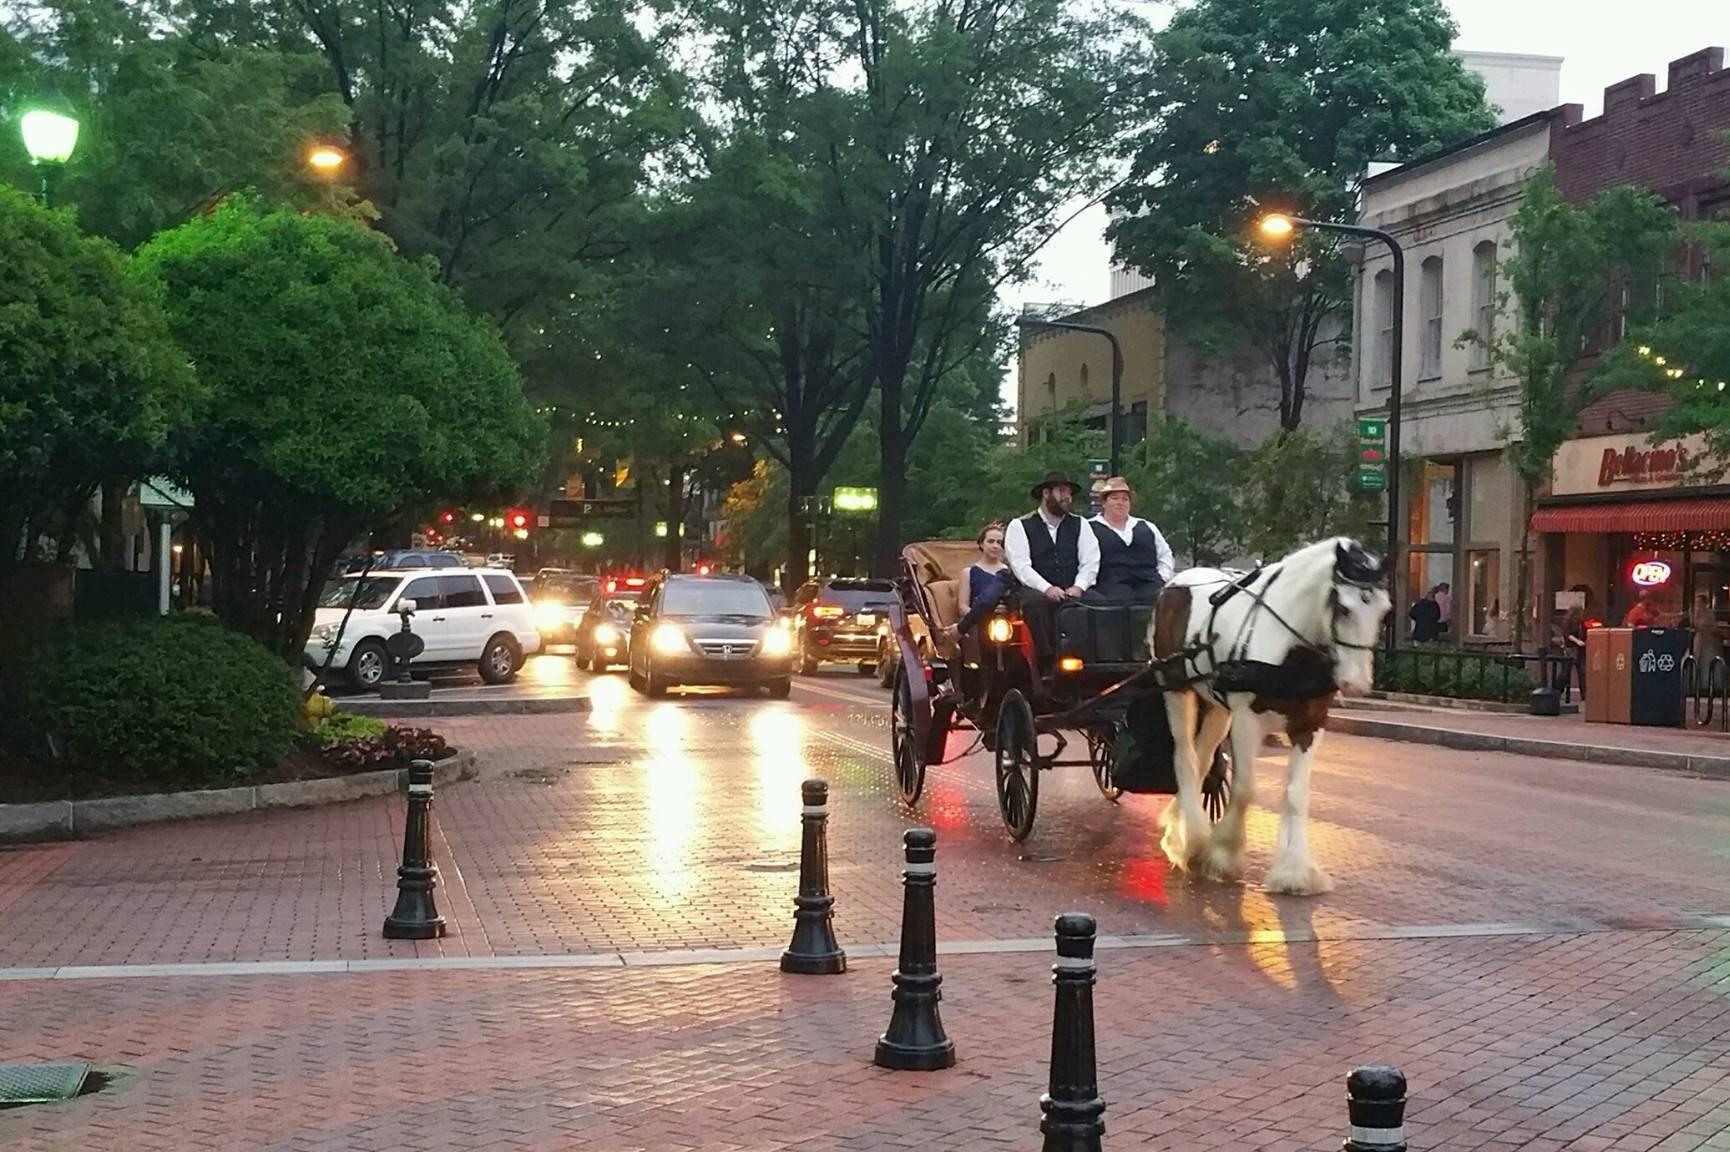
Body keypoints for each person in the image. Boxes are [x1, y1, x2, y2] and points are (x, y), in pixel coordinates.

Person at [1003, 470, 1100, 665]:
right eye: (1062, 491)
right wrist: (1046, 588)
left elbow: (1090, 560)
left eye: (1069, 493)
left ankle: (1095, 658)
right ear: (1046, 494)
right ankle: (1046, 662)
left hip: (1072, 588)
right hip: (1036, 590)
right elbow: (1021, 566)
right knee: (1036, 605)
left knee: (1102, 603)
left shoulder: (1080, 524)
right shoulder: (1019, 526)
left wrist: (1079, 586)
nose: (1067, 497)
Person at [1087, 476, 1175, 603]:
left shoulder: (1147, 527)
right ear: (1104, 503)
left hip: (1150, 587)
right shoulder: (1088, 528)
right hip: (1109, 591)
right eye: (1114, 498)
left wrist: (1163, 578)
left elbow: (1165, 555)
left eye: (1125, 499)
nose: (1120, 503)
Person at [949, 522, 1014, 639]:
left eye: (999, 543)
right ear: (981, 544)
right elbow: (963, 607)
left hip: (1007, 627)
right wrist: (981, 616)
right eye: (990, 541)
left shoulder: (1010, 572)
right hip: (979, 625)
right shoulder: (968, 572)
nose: (995, 546)